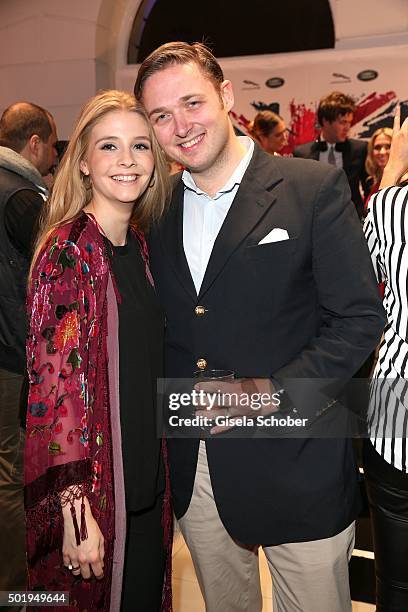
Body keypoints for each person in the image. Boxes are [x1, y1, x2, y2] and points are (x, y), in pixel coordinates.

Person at [134, 42, 385, 612]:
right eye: (161, 115)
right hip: (197, 467)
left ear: (225, 96)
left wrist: (267, 393)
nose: (181, 126)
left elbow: (359, 319)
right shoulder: (154, 206)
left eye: (191, 103)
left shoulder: (310, 188)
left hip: (298, 455)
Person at [24, 90, 172, 612]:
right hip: (96, 502)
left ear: (156, 162)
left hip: (146, 490)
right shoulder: (67, 253)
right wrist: (75, 515)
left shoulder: (142, 247)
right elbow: (51, 399)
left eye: (140, 146)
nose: (127, 160)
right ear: (83, 162)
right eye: (109, 147)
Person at [0, 102, 57, 602]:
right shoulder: (20, 194)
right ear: (35, 142)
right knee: (14, 474)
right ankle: (20, 589)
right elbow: (55, 268)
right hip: (12, 354)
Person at [363, 107, 408, 611]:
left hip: (394, 415)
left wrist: (393, 171)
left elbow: (357, 275)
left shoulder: (390, 206)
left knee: (396, 583)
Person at [294, 91, 368, 218]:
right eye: (342, 122)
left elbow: (368, 188)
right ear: (326, 121)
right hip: (316, 221)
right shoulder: (302, 153)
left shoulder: (360, 149)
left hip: (352, 220)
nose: (347, 127)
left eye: (349, 122)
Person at [364, 127, 393, 207]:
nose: (382, 152)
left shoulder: (404, 182)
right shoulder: (370, 182)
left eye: (388, 147)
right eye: (377, 147)